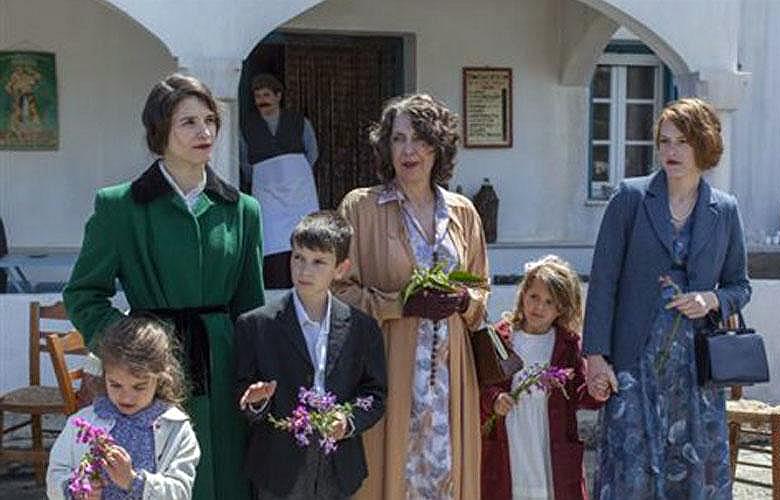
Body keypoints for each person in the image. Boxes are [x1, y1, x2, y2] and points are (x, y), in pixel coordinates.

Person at [63, 73, 265, 500]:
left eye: (210, 120)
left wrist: (257, 373)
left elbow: (250, 307)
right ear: (160, 131)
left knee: (226, 479)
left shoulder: (242, 210)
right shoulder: (120, 206)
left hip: (223, 368)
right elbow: (83, 294)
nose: (204, 132)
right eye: (188, 122)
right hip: (149, 372)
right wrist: (127, 349)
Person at [583, 98, 751, 499]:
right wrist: (595, 356)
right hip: (633, 362)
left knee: (691, 475)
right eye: (665, 141)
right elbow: (603, 280)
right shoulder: (630, 198)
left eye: (682, 142)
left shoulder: (724, 209)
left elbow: (740, 286)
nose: (671, 151)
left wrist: (710, 299)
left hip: (695, 371)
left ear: (704, 145)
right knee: (631, 474)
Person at [334, 94, 490, 499]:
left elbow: (482, 291)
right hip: (389, 367)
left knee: (448, 478)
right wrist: (398, 305)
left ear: (438, 147)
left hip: (450, 377)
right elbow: (338, 292)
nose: (408, 150)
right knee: (389, 478)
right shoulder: (361, 207)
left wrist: (464, 301)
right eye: (398, 138)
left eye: (420, 139)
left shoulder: (463, 212)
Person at [234, 210, 387, 499]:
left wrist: (347, 421)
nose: (305, 270)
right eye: (298, 258)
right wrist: (256, 401)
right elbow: (243, 390)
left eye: (319, 262)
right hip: (278, 467)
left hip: (338, 467)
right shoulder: (256, 325)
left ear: (340, 269)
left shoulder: (363, 329)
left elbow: (375, 395)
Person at [480, 255, 601, 500]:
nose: (539, 307)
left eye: (549, 302)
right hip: (510, 445)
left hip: (548, 451)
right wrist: (495, 400)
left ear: (561, 309)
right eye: (534, 297)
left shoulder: (567, 345)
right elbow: (481, 386)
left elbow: (581, 394)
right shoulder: (500, 338)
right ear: (523, 294)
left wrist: (597, 389)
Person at [47, 316, 200, 500]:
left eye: (139, 387)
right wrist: (75, 491)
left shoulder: (176, 430)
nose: (126, 397)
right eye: (116, 385)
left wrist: (133, 482)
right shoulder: (82, 423)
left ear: (160, 379)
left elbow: (181, 493)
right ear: (104, 376)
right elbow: (55, 474)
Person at [241, 73, 320, 289]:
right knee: (271, 242)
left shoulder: (299, 122)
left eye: (266, 95)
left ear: (278, 96)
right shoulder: (247, 127)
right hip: (267, 194)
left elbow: (312, 152)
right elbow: (244, 160)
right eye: (258, 96)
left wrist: (296, 175)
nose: (262, 100)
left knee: (304, 238)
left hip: (299, 192)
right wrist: (262, 178)